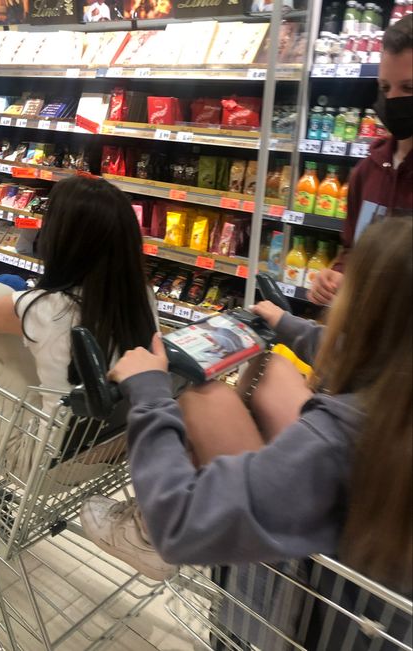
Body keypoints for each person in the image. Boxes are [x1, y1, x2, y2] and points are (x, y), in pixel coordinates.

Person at [81, 218, 412, 599]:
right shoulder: (394, 392)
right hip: (368, 577)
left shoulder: (338, 441)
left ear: (366, 312)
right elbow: (372, 355)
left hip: (307, 605)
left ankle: (144, 536)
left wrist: (151, 396)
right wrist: (288, 326)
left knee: (199, 396)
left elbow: (180, 524)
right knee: (271, 367)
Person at [0, 176, 157, 484]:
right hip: (115, 449)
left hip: (40, 467)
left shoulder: (49, 307)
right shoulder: (144, 297)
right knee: (8, 290)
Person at [308, 15, 413, 306]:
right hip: (364, 335)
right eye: (385, 87)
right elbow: (355, 250)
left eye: (409, 89)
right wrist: (339, 275)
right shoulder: (368, 171)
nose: (392, 100)